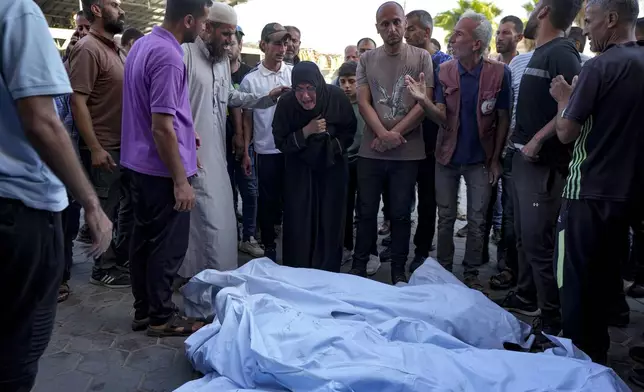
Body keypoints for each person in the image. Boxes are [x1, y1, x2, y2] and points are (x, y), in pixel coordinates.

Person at [0, 0, 112, 388]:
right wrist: (92, 205)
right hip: (19, 206)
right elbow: (42, 119)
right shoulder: (16, 11)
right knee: (18, 352)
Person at [549, 0, 643, 365]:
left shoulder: (599, 67)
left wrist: (563, 100)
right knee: (607, 277)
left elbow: (565, 132)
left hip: (585, 192)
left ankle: (578, 361)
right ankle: (599, 353)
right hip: (629, 195)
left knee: (572, 282)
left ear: (612, 19)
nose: (586, 30)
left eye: (589, 21)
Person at [121, 0, 212, 337]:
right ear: (188, 20)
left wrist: (188, 133)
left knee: (143, 240)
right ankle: (161, 316)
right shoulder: (170, 57)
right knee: (167, 247)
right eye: (202, 21)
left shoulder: (144, 44)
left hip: (139, 164)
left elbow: (159, 112)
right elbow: (161, 126)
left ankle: (144, 310)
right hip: (161, 171)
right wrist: (180, 181)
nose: (204, 28)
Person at [178, 3, 287, 280]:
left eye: (233, 35)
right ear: (207, 27)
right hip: (194, 154)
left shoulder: (222, 61)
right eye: (225, 34)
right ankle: (199, 279)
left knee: (223, 219)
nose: (230, 41)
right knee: (204, 222)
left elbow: (231, 97)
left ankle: (217, 278)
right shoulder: (184, 54)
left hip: (218, 154)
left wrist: (267, 97)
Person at [407, 11, 511, 292]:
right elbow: (441, 117)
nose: (452, 39)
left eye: (459, 34)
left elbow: (503, 118)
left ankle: (471, 272)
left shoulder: (500, 73)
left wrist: (495, 159)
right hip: (447, 157)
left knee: (477, 221)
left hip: (481, 161)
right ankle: (443, 268)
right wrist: (423, 101)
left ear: (476, 44)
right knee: (446, 217)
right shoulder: (445, 71)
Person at [500, 0, 583, 334]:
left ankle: (552, 321)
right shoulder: (539, 51)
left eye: (535, 8)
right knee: (523, 238)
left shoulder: (562, 53)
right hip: (522, 161)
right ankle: (526, 295)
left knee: (539, 243)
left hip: (542, 166)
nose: (531, 14)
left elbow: (574, 105)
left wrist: (537, 140)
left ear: (545, 10)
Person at [348, 1, 433, 284]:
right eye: (385, 24)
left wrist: (393, 134)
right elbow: (363, 101)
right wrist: (382, 135)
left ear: (405, 23)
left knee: (399, 214)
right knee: (366, 211)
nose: (392, 29)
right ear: (377, 28)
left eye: (396, 22)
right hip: (372, 151)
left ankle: (399, 269)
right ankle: (359, 266)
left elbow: (424, 103)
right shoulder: (367, 59)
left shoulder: (422, 57)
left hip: (407, 153)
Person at [70, 0, 131, 288]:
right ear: (96, 9)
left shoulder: (113, 49)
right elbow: (77, 100)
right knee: (103, 208)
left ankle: (115, 259)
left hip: (120, 146)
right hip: (103, 147)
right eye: (115, 5)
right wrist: (94, 147)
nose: (121, 10)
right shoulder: (88, 49)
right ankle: (102, 268)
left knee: (117, 207)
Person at [273, 61, 357, 271]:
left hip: (332, 170)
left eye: (310, 88)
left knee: (330, 219)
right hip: (299, 172)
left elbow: (349, 131)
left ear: (319, 85)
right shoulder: (286, 104)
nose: (305, 96)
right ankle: (298, 270)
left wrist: (330, 147)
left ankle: (327, 271)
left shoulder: (336, 97)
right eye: (299, 89)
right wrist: (306, 132)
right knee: (299, 219)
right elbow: (280, 142)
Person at [239, 23, 293, 262]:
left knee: (291, 199)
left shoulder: (293, 73)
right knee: (268, 201)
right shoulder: (251, 80)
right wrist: (247, 150)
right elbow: (247, 118)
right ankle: (269, 245)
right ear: (263, 45)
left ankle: (294, 244)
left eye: (285, 43)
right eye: (277, 43)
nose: (282, 48)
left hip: (292, 149)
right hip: (265, 149)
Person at [489, 48, 535, 291]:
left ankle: (531, 283)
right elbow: (508, 112)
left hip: (540, 156)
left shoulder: (570, 58)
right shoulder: (518, 63)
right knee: (509, 215)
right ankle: (509, 268)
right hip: (512, 152)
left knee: (531, 222)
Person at [227, 26, 264, 257]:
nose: (229, 46)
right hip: (220, 145)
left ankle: (248, 236)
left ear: (240, 45)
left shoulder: (248, 75)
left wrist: (244, 142)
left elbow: (249, 113)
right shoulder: (215, 72)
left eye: (233, 42)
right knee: (227, 194)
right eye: (226, 41)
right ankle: (229, 236)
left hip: (246, 145)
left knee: (250, 191)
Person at [337, 61, 368, 263]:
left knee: (366, 208)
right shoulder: (337, 104)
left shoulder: (368, 104)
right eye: (343, 82)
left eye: (351, 81)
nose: (347, 86)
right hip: (344, 161)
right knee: (345, 208)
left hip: (366, 161)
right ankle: (346, 246)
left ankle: (368, 251)